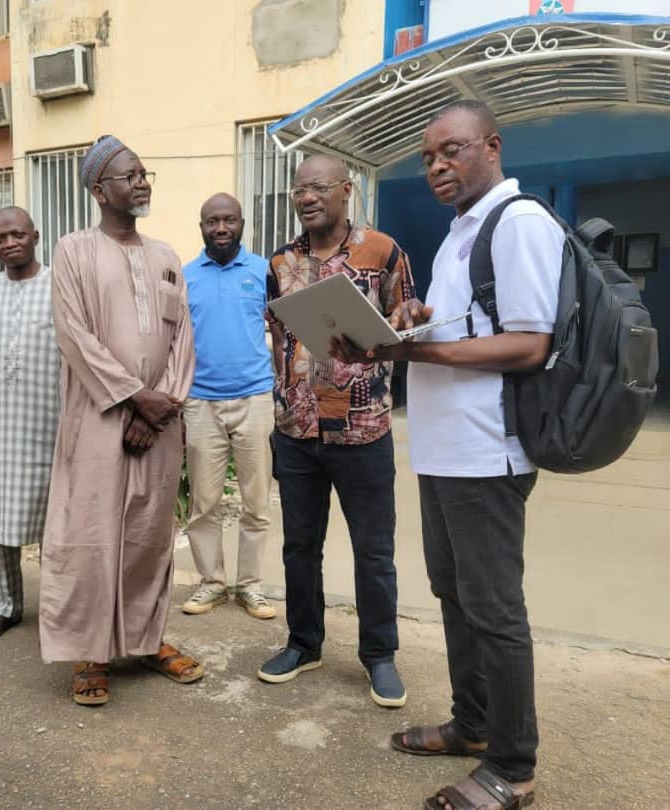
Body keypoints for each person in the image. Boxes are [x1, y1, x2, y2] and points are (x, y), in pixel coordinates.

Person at [336, 100, 562, 810]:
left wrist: (410, 348)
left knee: (494, 609)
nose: (437, 166)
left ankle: (513, 767)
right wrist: (411, 318)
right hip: (444, 450)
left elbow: (531, 342)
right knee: (454, 596)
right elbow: (469, 322)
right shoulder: (461, 231)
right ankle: (473, 725)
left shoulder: (517, 221)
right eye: (429, 156)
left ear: (491, 146)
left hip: (487, 452)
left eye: (452, 151)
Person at [40, 135, 204, 706]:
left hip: (158, 423)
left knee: (150, 533)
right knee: (92, 534)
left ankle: (147, 639)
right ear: (98, 189)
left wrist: (161, 406)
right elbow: (74, 335)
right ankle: (91, 650)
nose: (141, 182)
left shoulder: (165, 257)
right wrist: (135, 396)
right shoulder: (73, 251)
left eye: (143, 173)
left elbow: (183, 337)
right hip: (99, 418)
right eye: (129, 175)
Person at [256, 154, 413, 710]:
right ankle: (304, 644)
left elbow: (406, 324)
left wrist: (403, 321)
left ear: (347, 190)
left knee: (374, 552)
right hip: (297, 429)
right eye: (299, 190)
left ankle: (380, 655)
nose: (306, 198)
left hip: (363, 429)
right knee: (300, 547)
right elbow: (278, 335)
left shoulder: (383, 251)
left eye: (318, 188)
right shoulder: (280, 261)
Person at [180, 193, 276, 620]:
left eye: (229, 220)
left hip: (254, 398)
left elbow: (283, 331)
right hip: (201, 402)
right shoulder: (184, 277)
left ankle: (251, 585)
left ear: (242, 223)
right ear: (201, 226)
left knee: (257, 503)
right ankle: (212, 582)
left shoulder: (263, 272)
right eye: (212, 221)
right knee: (205, 503)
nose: (221, 228)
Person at [0, 207, 60, 642]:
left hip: (50, 422)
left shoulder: (60, 284)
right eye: (0, 237)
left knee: (55, 523)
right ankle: (7, 606)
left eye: (17, 234)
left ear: (35, 236)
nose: (8, 243)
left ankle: (58, 609)